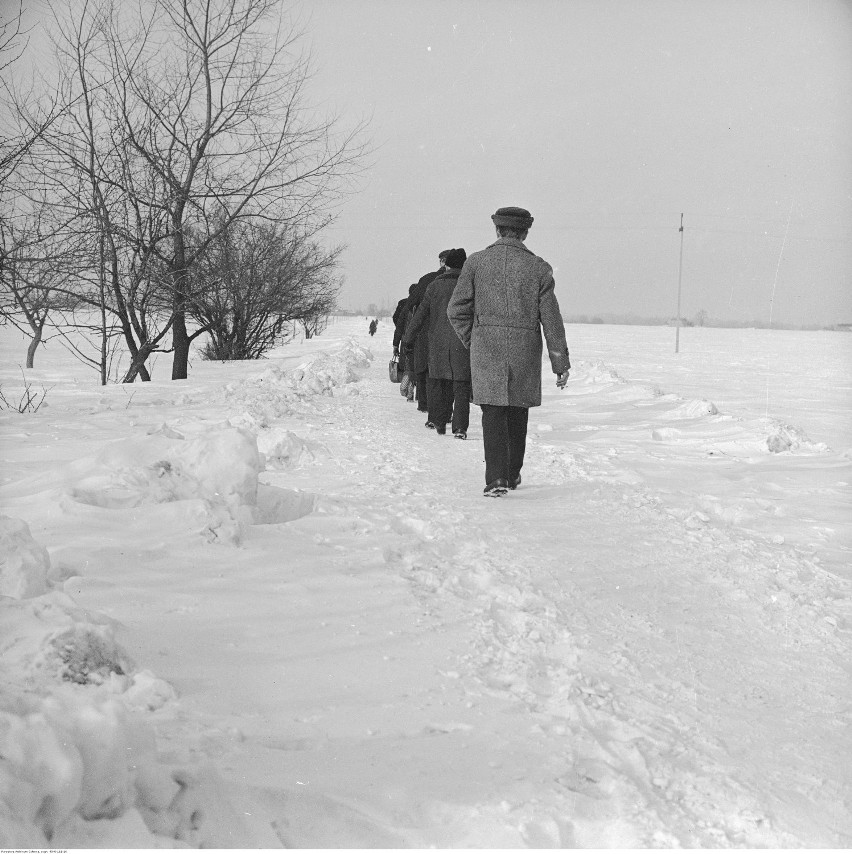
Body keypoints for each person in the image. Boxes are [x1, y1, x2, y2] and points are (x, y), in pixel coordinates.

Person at [447, 206, 570, 497]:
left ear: (497, 230)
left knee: (491, 412)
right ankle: (512, 472)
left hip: (486, 349)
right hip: (524, 351)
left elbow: (456, 310)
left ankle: (496, 478)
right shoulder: (539, 267)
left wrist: (474, 340)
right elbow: (551, 319)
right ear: (525, 232)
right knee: (517, 411)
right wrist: (560, 362)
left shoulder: (476, 263)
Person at [402, 248, 471, 436]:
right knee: (462, 386)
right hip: (463, 342)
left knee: (439, 383)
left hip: (437, 343)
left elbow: (420, 315)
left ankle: (438, 421)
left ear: (446, 265)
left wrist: (408, 339)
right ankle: (459, 427)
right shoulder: (469, 285)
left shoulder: (434, 286)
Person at [405, 250, 451, 413]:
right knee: (448, 370)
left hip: (426, 331)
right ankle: (444, 408)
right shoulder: (462, 280)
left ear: (441, 262)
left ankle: (424, 403)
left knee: (424, 367)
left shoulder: (426, 280)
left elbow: (410, 304)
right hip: (451, 331)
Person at [392, 288, 416, 400]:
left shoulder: (404, 304)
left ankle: (407, 390)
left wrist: (396, 344)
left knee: (408, 366)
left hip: (406, 340)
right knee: (416, 367)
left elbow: (398, 323)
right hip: (419, 341)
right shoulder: (422, 303)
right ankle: (413, 392)